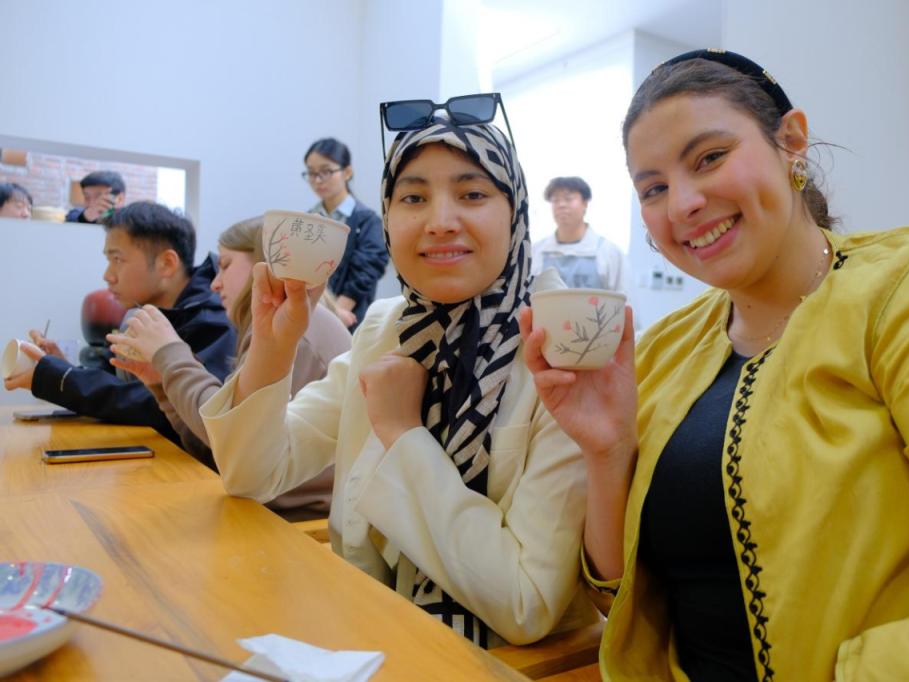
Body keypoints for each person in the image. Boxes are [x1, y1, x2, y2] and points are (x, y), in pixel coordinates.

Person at [522, 49, 909, 680]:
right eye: (653, 189)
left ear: (792, 142)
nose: (681, 204)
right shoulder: (662, 350)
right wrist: (606, 451)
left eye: (709, 158)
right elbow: (622, 606)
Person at [201, 112, 595, 647]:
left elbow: (527, 603)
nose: (440, 221)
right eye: (413, 198)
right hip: (367, 633)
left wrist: (401, 432)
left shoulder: (564, 344)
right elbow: (253, 475)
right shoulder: (388, 328)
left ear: (516, 213)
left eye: (473, 194)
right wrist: (273, 348)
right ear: (387, 219)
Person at [107, 217, 352, 521]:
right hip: (275, 511)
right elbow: (228, 450)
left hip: (300, 523)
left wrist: (170, 353)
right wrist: (162, 384)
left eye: (225, 265)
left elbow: (238, 441)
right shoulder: (269, 326)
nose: (215, 283)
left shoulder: (298, 333)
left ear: (264, 265)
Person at [4, 202, 236, 445]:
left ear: (167, 263)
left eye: (118, 259)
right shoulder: (143, 315)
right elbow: (116, 381)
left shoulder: (213, 321)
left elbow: (167, 406)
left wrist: (62, 379)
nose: (107, 275)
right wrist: (63, 367)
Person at [304, 137, 389, 329]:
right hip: (311, 315)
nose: (318, 180)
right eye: (311, 173)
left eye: (326, 171)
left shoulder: (367, 220)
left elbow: (367, 269)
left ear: (347, 172)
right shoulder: (308, 219)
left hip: (349, 319)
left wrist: (336, 312)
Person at [531, 176, 627, 292]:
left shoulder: (609, 253)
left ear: (585, 203)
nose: (561, 205)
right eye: (555, 200)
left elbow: (624, 299)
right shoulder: (536, 252)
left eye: (568, 199)